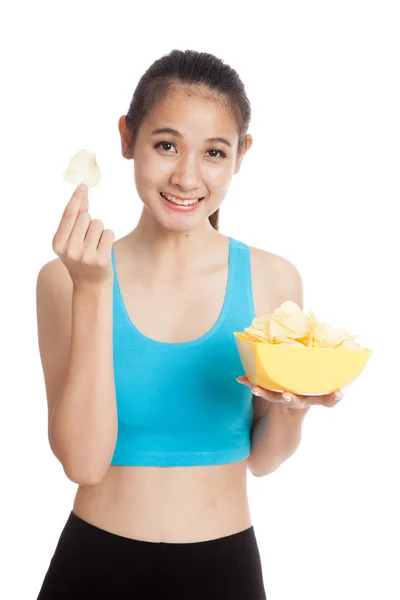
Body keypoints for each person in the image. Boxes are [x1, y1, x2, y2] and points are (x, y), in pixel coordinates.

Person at [35, 49, 309, 599]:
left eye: (214, 152)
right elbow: (85, 464)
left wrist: (294, 403)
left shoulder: (274, 281)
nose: (187, 177)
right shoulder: (65, 279)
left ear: (241, 155)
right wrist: (93, 292)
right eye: (166, 145)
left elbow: (265, 459)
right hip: (93, 567)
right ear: (126, 139)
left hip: (224, 571)